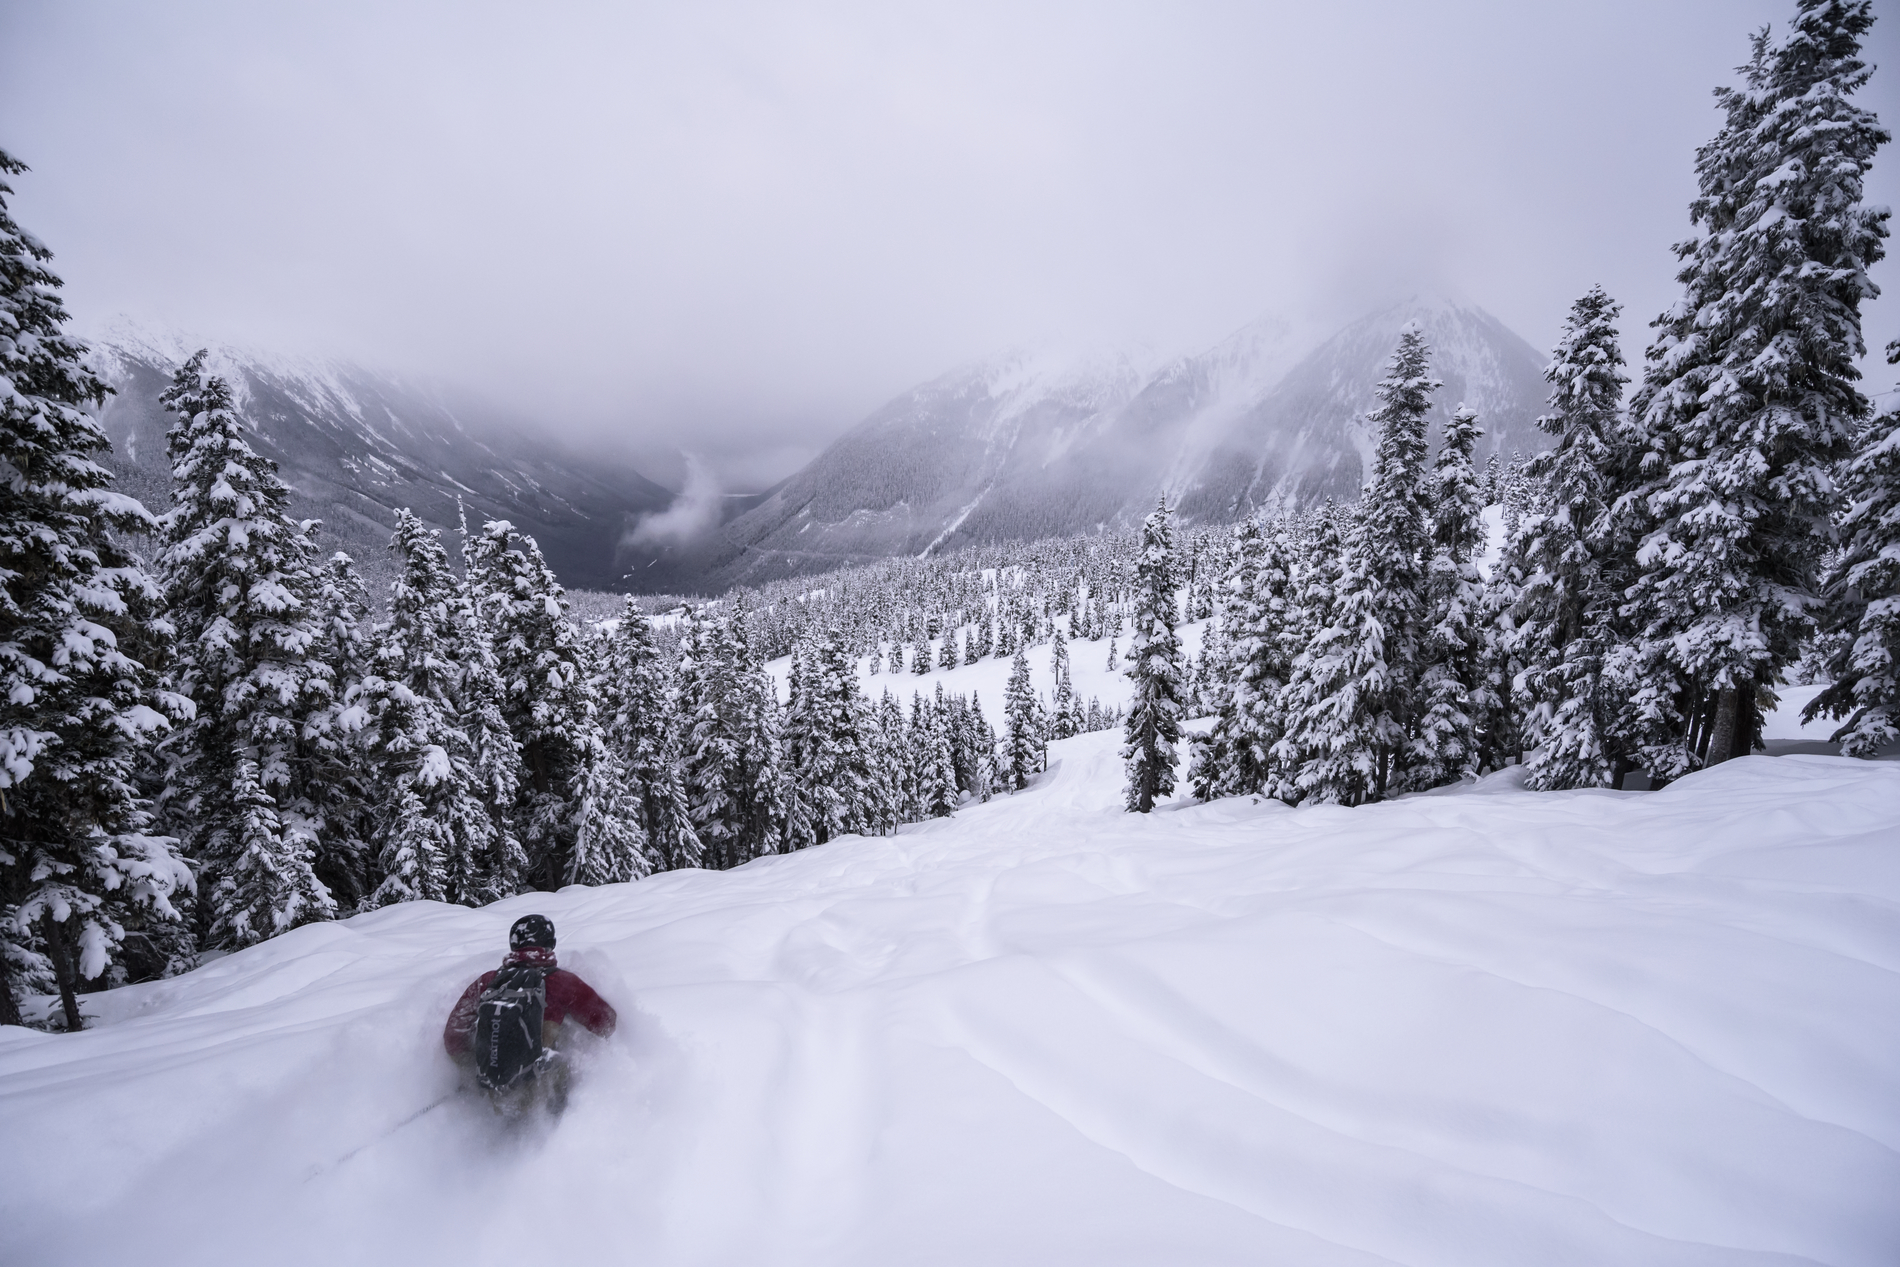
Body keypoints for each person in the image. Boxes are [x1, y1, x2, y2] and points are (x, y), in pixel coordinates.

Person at [443, 914, 617, 1113]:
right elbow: (606, 1023)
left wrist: (478, 1068)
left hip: (495, 1094)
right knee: (566, 1060)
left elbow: (453, 1035)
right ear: (550, 944)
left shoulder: (488, 981)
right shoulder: (562, 981)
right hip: (542, 1091)